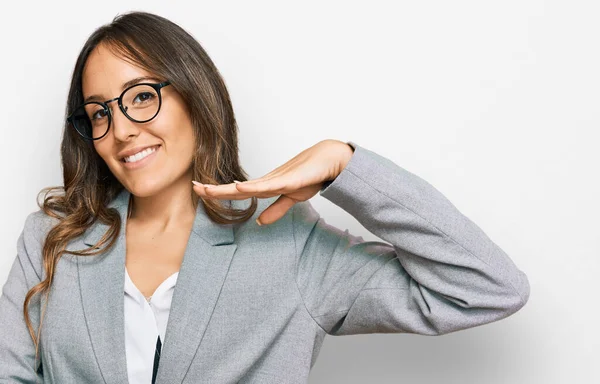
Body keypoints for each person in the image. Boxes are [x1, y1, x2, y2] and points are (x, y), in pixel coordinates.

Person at [0, 10, 530, 384]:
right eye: (99, 112)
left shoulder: (286, 244)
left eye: (142, 97)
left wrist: (345, 166)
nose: (120, 130)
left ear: (194, 95)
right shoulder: (51, 241)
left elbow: (485, 288)